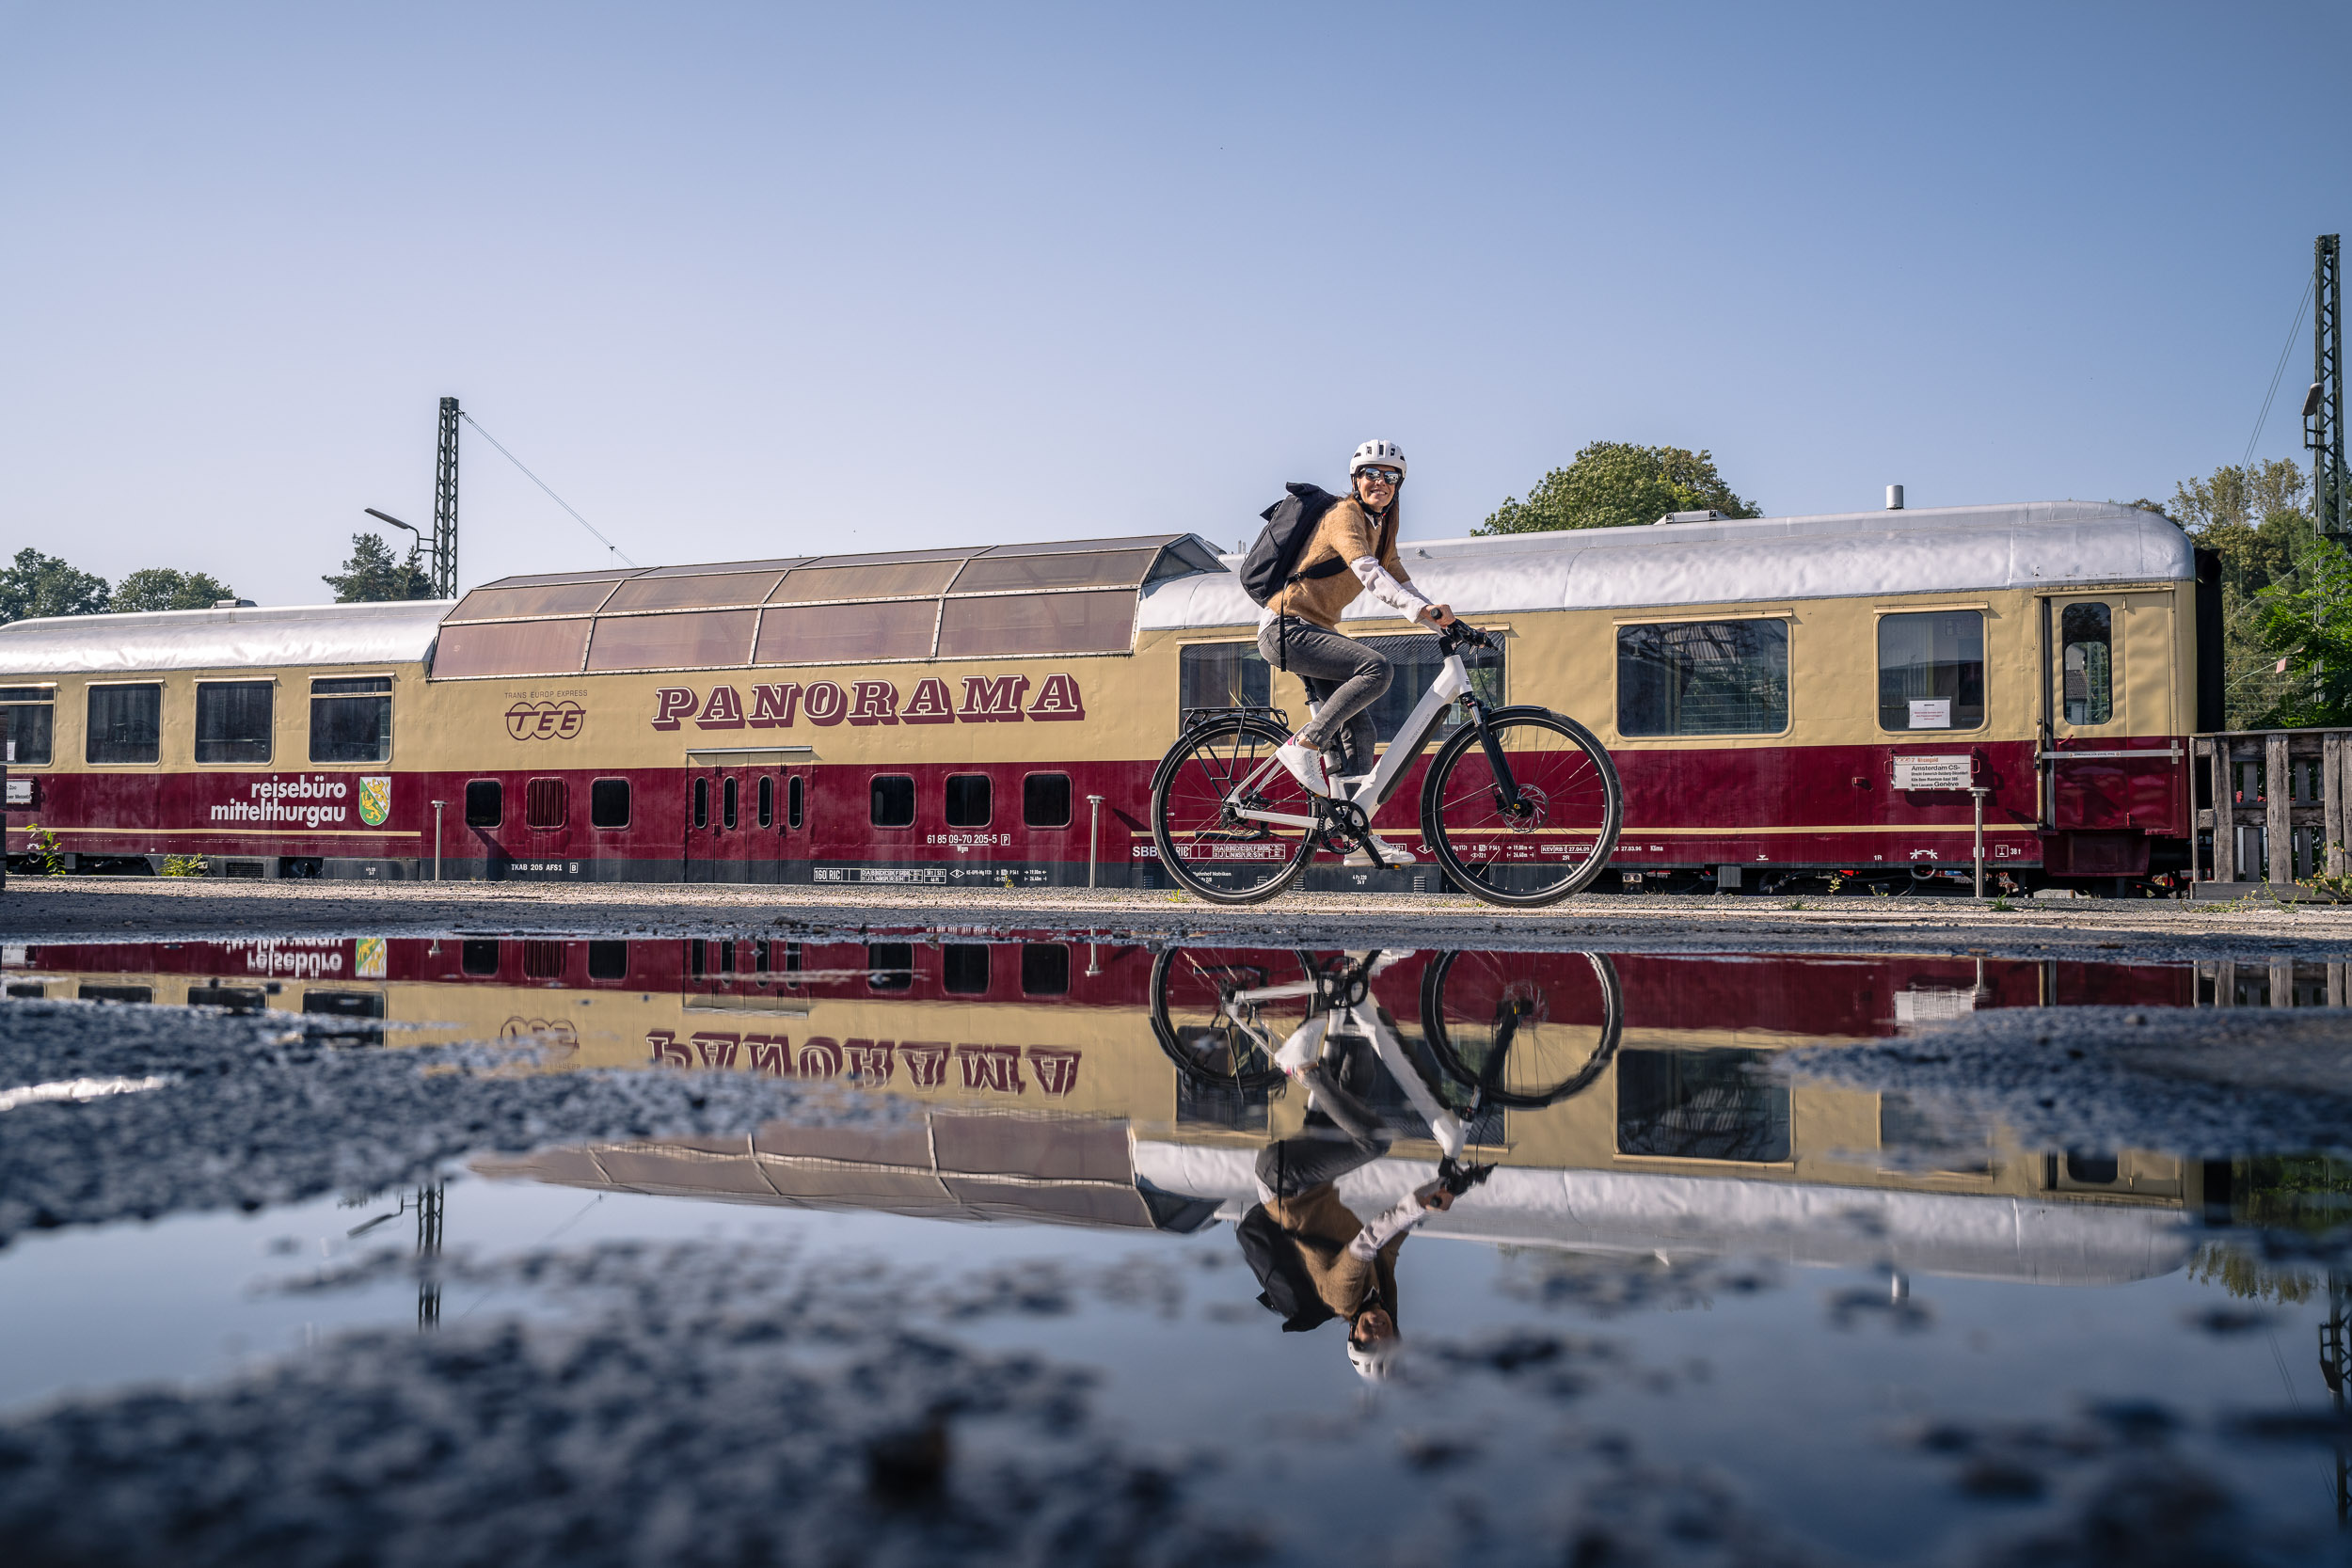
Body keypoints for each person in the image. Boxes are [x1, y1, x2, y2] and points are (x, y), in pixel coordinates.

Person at [1260, 439, 1456, 870]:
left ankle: (1354, 833)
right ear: (1356, 480)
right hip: (1286, 628)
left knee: (1360, 732)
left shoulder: (1383, 524)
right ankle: (1303, 744)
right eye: (1371, 474)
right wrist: (1416, 610)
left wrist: (1438, 617)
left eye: (1390, 477)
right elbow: (1368, 570)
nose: (1380, 482)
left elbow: (1396, 573)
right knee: (1376, 668)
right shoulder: (1344, 514)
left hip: (1314, 630)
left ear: (1398, 485)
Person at [1241, 1036, 1458, 1383]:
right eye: (1388, 1340)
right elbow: (1395, 1236)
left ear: (1353, 1334)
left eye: (1368, 1341)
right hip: (1313, 1179)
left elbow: (1368, 1241)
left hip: (1285, 1182)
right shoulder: (1381, 1290)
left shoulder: (1341, 1297)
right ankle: (1337, 1008)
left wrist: (1418, 1208)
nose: (1378, 1334)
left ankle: (1302, 1069)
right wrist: (1446, 1188)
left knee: (1375, 1142)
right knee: (1358, 1064)